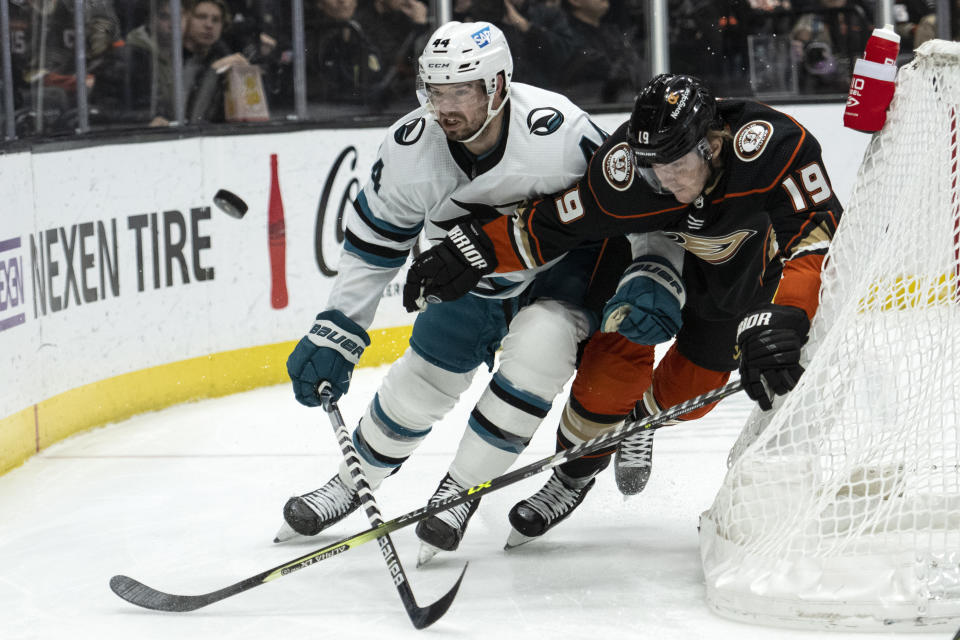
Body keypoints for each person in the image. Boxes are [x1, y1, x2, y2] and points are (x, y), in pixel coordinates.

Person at [404, 73, 843, 546]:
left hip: (732, 287)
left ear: (711, 146)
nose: (663, 181)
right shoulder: (626, 172)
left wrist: (786, 313)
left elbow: (816, 234)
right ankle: (572, 479)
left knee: (689, 397)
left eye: (674, 165)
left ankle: (637, 422)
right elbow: (549, 227)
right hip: (645, 273)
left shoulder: (772, 146)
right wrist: (473, 251)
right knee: (609, 371)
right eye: (651, 168)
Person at [278, 21, 618, 562]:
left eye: (461, 91)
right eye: (436, 92)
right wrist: (338, 329)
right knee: (425, 374)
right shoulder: (412, 149)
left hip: (563, 271)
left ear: (498, 86)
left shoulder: (559, 133)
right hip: (469, 275)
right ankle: (353, 480)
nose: (446, 107)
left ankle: (460, 490)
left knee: (539, 350)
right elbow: (375, 242)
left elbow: (623, 206)